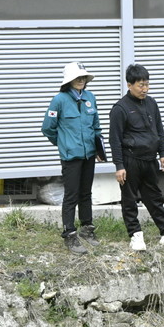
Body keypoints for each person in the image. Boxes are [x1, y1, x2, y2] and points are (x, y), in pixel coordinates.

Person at [109, 64, 164, 251]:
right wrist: (119, 166)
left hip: (150, 160)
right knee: (129, 199)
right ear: (129, 85)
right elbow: (114, 140)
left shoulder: (151, 103)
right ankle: (135, 235)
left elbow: (159, 129)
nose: (145, 89)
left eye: (147, 84)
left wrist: (162, 153)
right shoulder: (120, 108)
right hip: (130, 160)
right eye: (140, 85)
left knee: (154, 197)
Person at [41, 62, 104, 254]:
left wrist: (99, 149)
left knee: (86, 193)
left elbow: (96, 126)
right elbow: (47, 128)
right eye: (77, 77)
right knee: (71, 195)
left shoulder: (90, 97)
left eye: (83, 77)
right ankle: (69, 233)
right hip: (71, 156)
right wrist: (63, 143)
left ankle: (87, 228)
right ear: (69, 80)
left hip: (89, 154)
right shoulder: (59, 100)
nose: (81, 80)